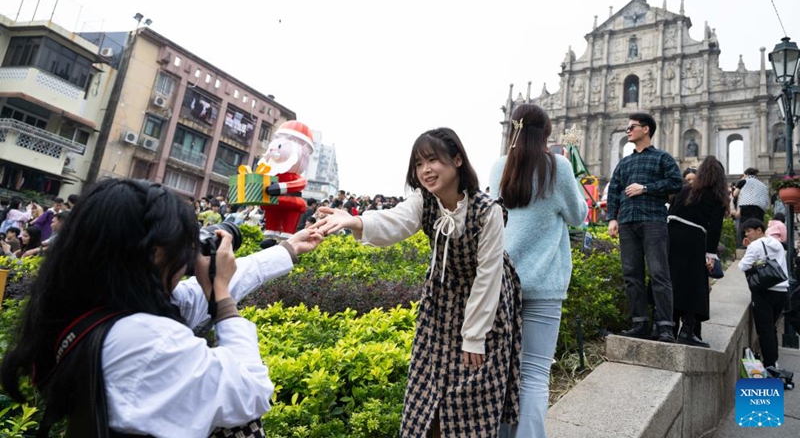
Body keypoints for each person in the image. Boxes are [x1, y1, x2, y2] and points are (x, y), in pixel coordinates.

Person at [0, 179, 324, 437]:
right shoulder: (146, 339)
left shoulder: (91, 309)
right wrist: (223, 298)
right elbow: (249, 394)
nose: (186, 260)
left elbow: (194, 294)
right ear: (155, 253)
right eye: (182, 246)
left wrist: (288, 248)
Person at [313, 127, 522, 437]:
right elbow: (395, 220)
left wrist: (475, 335)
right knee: (426, 397)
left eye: (433, 160)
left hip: (484, 309)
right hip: (439, 305)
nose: (425, 170)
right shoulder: (424, 200)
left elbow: (488, 276)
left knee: (470, 400)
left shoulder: (486, 211)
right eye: (419, 163)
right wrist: (356, 221)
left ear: (458, 160)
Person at [488, 104, 588, 438]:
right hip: (544, 284)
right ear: (545, 134)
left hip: (503, 283)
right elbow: (578, 216)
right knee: (533, 375)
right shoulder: (557, 167)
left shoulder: (499, 167)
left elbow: (492, 218)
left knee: (502, 373)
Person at [607, 112, 683, 342]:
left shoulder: (662, 158)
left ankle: (665, 326)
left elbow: (676, 183)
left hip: (653, 221)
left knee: (659, 273)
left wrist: (646, 188)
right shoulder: (624, 162)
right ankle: (639, 323)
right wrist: (612, 218)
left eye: (632, 127)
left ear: (646, 129)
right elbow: (614, 190)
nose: (628, 131)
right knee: (632, 275)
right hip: (627, 222)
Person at [667, 156, 728, 347]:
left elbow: (670, 214)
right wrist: (710, 254)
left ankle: (667, 328)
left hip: (673, 239)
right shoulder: (716, 196)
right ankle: (687, 331)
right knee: (694, 286)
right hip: (694, 242)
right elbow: (714, 228)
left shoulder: (685, 189)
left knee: (673, 282)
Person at [738, 219, 789, 369]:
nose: (747, 234)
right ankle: (774, 361)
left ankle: (770, 365)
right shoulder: (777, 244)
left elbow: (743, 266)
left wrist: (748, 249)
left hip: (764, 291)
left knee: (765, 330)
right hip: (781, 290)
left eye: (749, 231)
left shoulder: (754, 245)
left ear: (759, 230)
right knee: (771, 328)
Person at [733, 168, 769, 248]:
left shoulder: (743, 181)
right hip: (760, 208)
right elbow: (766, 199)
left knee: (745, 225)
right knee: (757, 225)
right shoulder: (762, 185)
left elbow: (735, 194)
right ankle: (758, 244)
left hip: (746, 206)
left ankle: (745, 244)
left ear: (746, 174)